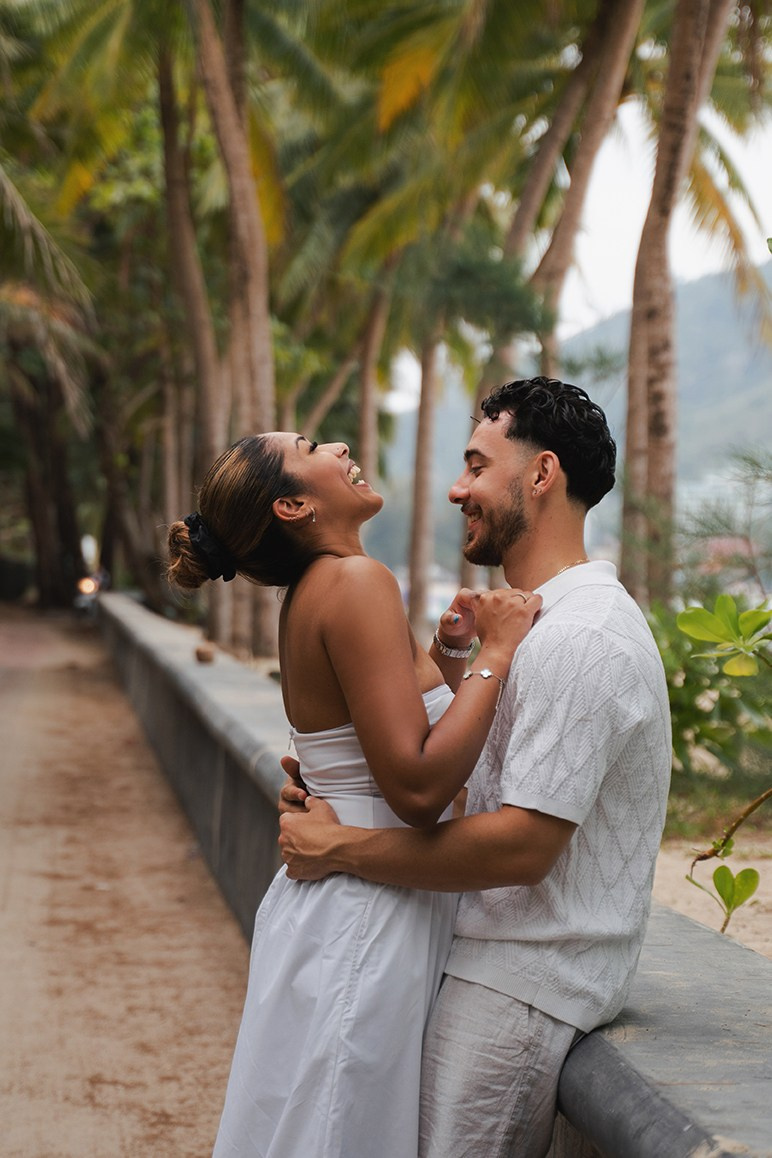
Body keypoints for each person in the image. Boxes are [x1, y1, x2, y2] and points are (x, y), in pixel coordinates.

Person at [279, 377, 673, 1158]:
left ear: (540, 475)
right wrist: (339, 792)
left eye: (475, 465)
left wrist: (342, 848)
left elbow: (522, 845)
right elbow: (470, 777)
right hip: (478, 958)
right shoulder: (530, 626)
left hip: (522, 986)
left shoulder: (583, 636)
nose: (457, 488)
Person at [166, 430, 541, 1158]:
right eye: (311, 445)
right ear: (295, 503)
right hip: (368, 915)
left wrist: (454, 651)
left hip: (340, 905)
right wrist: (498, 652)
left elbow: (383, 721)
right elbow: (417, 787)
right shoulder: (357, 582)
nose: (339, 443)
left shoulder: (324, 587)